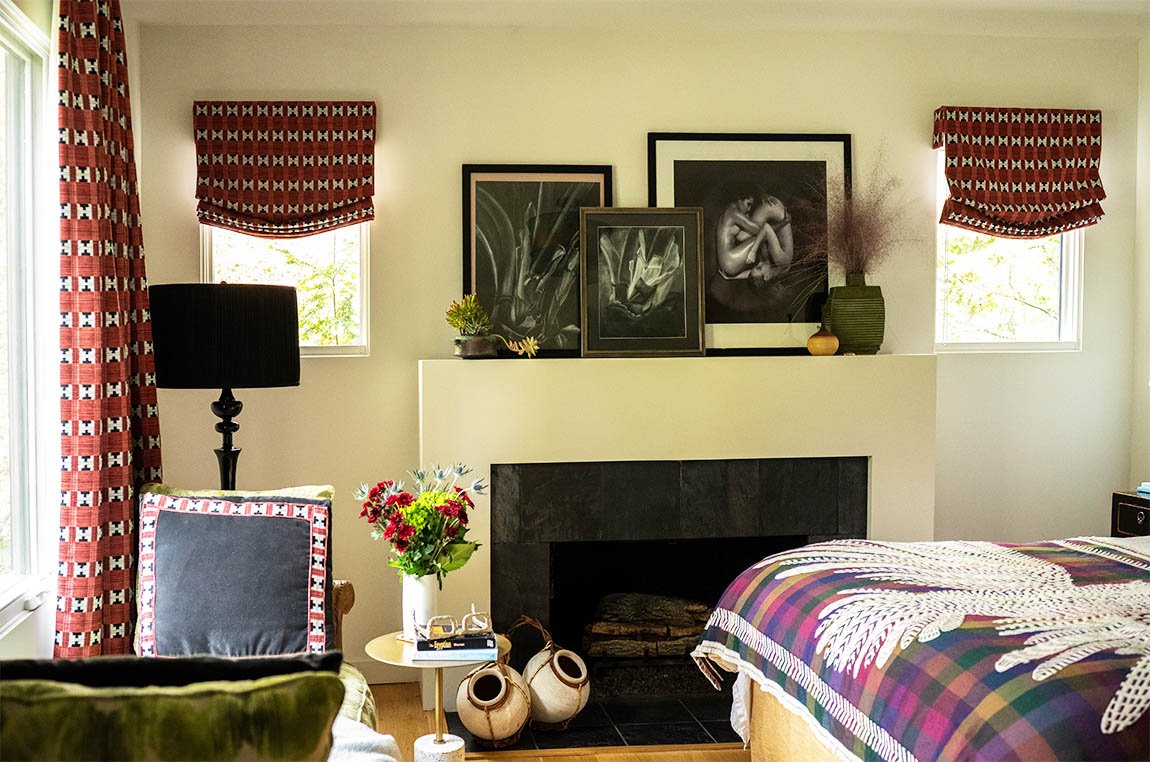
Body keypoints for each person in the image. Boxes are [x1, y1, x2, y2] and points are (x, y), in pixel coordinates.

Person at [715, 193, 794, 285]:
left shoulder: (769, 269)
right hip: (730, 262)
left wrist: (731, 277)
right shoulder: (781, 263)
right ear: (767, 277)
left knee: (742, 236)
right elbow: (764, 230)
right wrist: (785, 222)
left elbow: (752, 274)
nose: (759, 263)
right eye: (748, 204)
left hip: (730, 262)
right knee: (745, 236)